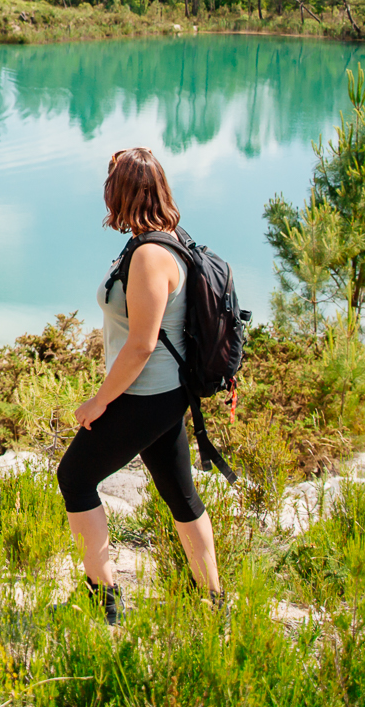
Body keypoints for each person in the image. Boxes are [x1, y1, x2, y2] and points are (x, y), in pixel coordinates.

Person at [56, 147, 222, 625]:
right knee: (179, 493)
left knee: (76, 477)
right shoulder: (166, 238)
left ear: (121, 193)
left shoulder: (151, 254)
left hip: (145, 396)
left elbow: (142, 346)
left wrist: (98, 402)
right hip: (165, 396)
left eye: (110, 185)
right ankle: (212, 601)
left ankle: (102, 594)